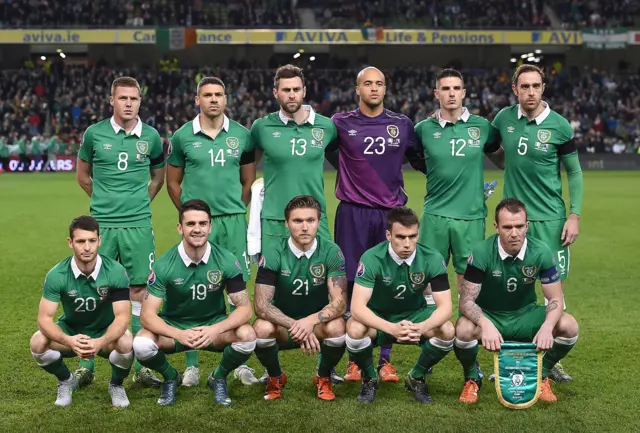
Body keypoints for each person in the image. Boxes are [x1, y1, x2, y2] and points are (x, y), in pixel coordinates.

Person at [330, 66, 426, 383]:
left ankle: (384, 359)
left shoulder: (402, 124)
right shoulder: (340, 124)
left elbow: (421, 161)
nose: (374, 88)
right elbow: (332, 153)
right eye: (367, 83)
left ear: (386, 89)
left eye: (379, 84)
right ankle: (356, 359)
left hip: (390, 213)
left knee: (385, 283)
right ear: (357, 89)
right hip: (353, 213)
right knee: (351, 283)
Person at [492, 64, 583, 382]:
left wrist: (574, 214)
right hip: (514, 223)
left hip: (551, 222)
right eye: (524, 86)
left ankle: (549, 362)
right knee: (513, 291)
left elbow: (574, 172)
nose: (531, 91)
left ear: (543, 88)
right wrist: (507, 164)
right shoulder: (503, 120)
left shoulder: (559, 126)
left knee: (552, 295)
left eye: (536, 86)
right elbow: (493, 150)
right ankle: (511, 360)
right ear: (514, 89)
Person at [166, 76, 257, 387]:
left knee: (237, 291)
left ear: (226, 99)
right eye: (207, 95)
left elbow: (248, 181)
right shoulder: (181, 137)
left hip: (232, 222)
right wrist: (192, 215)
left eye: (219, 94)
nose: (214, 100)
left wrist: (234, 209)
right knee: (194, 288)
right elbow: (173, 183)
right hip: (198, 225)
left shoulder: (243, 136)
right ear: (197, 100)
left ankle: (239, 362)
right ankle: (192, 362)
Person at [76, 76, 166, 387]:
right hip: (102, 225)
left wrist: (138, 204)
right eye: (123, 98)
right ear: (111, 101)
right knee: (93, 290)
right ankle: (86, 363)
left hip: (138, 225)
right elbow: (83, 176)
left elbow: (158, 178)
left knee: (139, 291)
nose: (129, 104)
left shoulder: (152, 136)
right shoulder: (94, 134)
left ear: (140, 101)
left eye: (134, 99)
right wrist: (104, 204)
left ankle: (141, 365)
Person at [132, 200, 257, 406]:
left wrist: (215, 329)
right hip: (175, 327)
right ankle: (171, 377)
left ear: (210, 226)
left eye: (202, 223)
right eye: (190, 224)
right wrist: (178, 334)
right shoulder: (164, 265)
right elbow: (147, 315)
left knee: (248, 336)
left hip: (212, 325)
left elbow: (244, 309)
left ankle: (218, 377)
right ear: (180, 228)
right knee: (141, 344)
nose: (197, 229)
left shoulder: (226, 260)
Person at [454, 198, 579, 403]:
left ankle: (541, 375)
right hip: (491, 315)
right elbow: (466, 302)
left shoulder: (541, 252)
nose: (514, 233)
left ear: (527, 225)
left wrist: (547, 327)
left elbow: (555, 298)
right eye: (507, 227)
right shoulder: (481, 253)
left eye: (520, 226)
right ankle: (472, 379)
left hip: (525, 315)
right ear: (496, 227)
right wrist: (485, 324)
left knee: (569, 325)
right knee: (463, 329)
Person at [346, 206, 454, 404]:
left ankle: (416, 377)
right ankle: (370, 378)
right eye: (401, 237)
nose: (407, 244)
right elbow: (357, 307)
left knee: (447, 331)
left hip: (416, 314)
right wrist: (391, 328)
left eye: (412, 237)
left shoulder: (432, 258)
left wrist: (422, 327)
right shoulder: (371, 258)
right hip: (380, 315)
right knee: (354, 329)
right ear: (388, 235)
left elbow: (446, 307)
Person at [29, 216, 133, 407]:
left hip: (104, 331)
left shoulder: (116, 271)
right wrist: (69, 340)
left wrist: (100, 342)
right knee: (37, 342)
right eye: (80, 241)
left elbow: (122, 317)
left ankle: (116, 384)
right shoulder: (56, 275)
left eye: (92, 241)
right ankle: (66, 379)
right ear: (70, 243)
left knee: (126, 343)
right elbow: (44, 319)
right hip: (71, 331)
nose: (87, 247)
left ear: (99, 241)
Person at [253, 195, 348, 401]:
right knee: (261, 327)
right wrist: (296, 325)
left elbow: (339, 303)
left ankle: (323, 377)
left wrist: (309, 322)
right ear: (287, 224)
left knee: (338, 327)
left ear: (318, 222)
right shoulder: (273, 251)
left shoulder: (331, 251)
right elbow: (261, 306)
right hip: (284, 326)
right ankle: (275, 376)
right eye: (297, 221)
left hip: (316, 325)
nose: (304, 227)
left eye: (310, 220)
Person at [250, 64, 337, 253]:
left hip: (314, 218)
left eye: (296, 89)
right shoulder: (261, 128)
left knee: (320, 278)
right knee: (270, 280)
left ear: (304, 91)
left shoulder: (327, 127)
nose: (291, 95)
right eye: (286, 90)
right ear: (275, 92)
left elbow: (345, 163)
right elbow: (247, 169)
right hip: (275, 221)